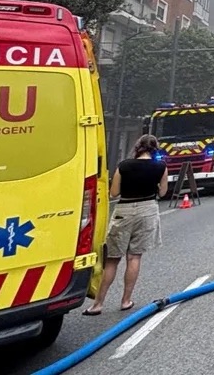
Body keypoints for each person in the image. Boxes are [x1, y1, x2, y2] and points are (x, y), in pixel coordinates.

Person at [83, 134, 167, 315]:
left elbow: (114, 193)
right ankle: (126, 300)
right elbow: (163, 192)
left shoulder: (124, 166)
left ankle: (98, 304)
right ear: (155, 149)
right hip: (147, 210)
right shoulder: (160, 167)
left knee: (112, 259)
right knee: (134, 257)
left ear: (138, 147)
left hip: (124, 210)